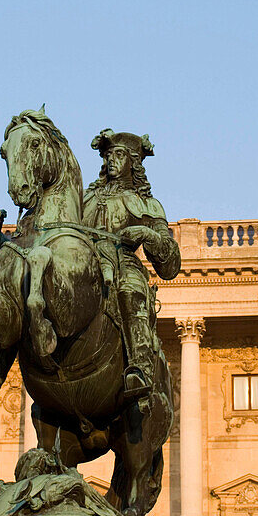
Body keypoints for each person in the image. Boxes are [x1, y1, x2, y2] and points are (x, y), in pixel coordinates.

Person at [83, 129, 181, 402]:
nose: (111, 160)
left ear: (133, 162)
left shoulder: (146, 204)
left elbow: (170, 264)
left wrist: (147, 234)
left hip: (123, 263)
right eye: (108, 155)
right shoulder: (84, 199)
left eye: (118, 155)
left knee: (130, 289)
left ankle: (140, 367)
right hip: (84, 263)